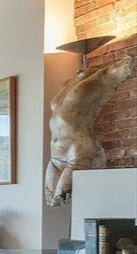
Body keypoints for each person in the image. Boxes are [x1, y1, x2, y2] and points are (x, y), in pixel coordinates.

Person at [44, 55, 134, 207]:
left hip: (78, 152)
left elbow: (117, 71)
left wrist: (124, 63)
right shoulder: (68, 87)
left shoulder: (90, 84)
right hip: (55, 154)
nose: (79, 70)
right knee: (51, 200)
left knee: (62, 200)